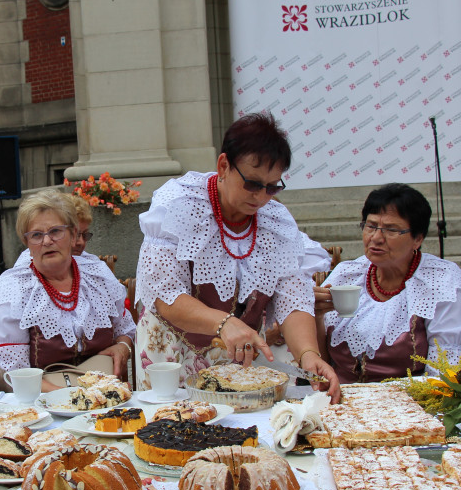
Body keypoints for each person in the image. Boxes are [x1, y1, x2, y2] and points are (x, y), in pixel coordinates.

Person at [135, 112, 339, 400]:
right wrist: (224, 323)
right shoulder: (180, 205)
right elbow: (165, 295)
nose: (261, 197)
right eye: (253, 183)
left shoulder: (275, 222)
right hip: (172, 354)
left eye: (272, 187)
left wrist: (308, 353)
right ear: (224, 165)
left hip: (240, 364)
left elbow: (293, 298)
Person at [314, 184, 461, 383]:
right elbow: (319, 366)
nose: (376, 238)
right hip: (339, 399)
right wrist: (316, 315)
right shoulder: (347, 274)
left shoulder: (442, 283)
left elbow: (445, 374)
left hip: (412, 403)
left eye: (391, 230)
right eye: (371, 226)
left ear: (417, 239)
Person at [0, 190, 136, 383]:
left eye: (55, 231)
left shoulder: (98, 275)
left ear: (73, 235)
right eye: (36, 235)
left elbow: (125, 329)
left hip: (107, 394)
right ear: (27, 243)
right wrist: (74, 399)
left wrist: (123, 347)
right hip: (43, 402)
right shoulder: (15, 288)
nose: (47, 241)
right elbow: (16, 376)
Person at [13, 193, 95, 266]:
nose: (81, 242)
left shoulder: (94, 265)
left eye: (85, 235)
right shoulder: (23, 272)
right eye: (55, 231)